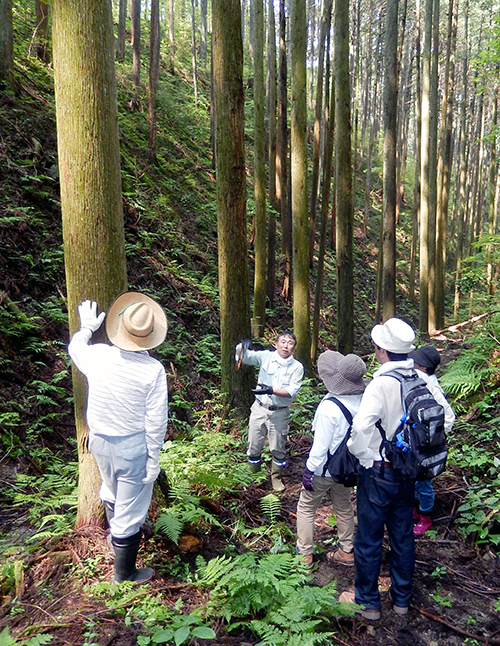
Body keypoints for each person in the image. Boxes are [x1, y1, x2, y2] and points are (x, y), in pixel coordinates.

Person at [68, 292, 168, 584]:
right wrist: (154, 457)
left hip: (98, 441)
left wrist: (86, 328)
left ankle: (117, 539)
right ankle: (124, 573)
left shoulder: (98, 355)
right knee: (131, 507)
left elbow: (75, 349)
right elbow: (156, 420)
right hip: (131, 446)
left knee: (111, 490)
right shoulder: (153, 371)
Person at [339, 318, 417, 620]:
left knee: (369, 538)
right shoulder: (419, 380)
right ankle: (401, 601)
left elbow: (360, 426)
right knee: (402, 535)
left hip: (378, 471)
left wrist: (362, 455)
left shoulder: (380, 384)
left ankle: (368, 603)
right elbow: (445, 420)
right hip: (408, 473)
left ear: (382, 351)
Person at [296, 351, 367, 569]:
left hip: (323, 470)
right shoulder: (364, 399)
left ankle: (304, 555)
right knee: (343, 505)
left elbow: (320, 447)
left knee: (306, 507)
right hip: (347, 468)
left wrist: (309, 471)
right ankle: (346, 550)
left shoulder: (329, 408)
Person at [235, 332, 304, 492]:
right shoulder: (266, 357)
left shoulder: (297, 367)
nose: (286, 345)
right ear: (276, 344)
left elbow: (291, 391)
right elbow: (245, 357)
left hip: (279, 413)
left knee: (278, 448)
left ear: (294, 347)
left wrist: (271, 390)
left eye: (290, 343)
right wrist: (242, 348)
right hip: (259, 408)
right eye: (283, 342)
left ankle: (276, 478)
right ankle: (254, 477)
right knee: (253, 445)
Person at [409, 345, 455, 537]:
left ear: (423, 367)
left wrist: (433, 436)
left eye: (416, 363)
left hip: (425, 443)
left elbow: (448, 416)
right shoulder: (421, 379)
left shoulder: (428, 384)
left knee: (423, 481)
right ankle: (413, 510)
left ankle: (425, 516)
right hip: (416, 440)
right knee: (412, 477)